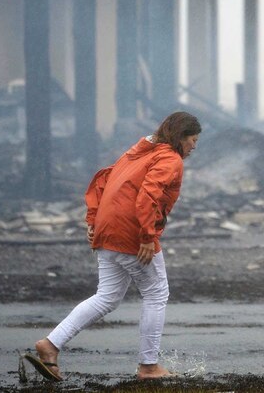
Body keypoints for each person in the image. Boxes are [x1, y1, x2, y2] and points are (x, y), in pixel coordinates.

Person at [24, 111, 201, 381]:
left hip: (108, 230)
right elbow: (148, 195)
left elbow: (103, 180)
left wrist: (93, 221)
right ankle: (149, 366)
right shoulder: (169, 158)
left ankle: (50, 345)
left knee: (107, 296)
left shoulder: (139, 151)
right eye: (192, 140)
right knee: (156, 293)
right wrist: (146, 236)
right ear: (180, 137)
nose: (194, 146)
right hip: (131, 233)